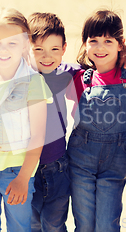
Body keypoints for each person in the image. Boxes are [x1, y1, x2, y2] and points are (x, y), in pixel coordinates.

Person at [0, 7, 52, 231]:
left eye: (12, 43)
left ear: (25, 44)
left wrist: (24, 178)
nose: (3, 49)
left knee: (19, 227)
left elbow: (38, 135)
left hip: (16, 171)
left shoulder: (33, 83)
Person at [67, 9, 126, 232]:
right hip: (80, 160)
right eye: (93, 41)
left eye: (108, 41)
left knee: (107, 225)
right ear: (85, 45)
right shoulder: (78, 76)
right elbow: (43, 71)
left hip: (116, 161)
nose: (100, 47)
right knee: (84, 225)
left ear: (120, 44)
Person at [28, 12, 80, 232]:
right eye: (38, 49)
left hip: (57, 165)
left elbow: (102, 64)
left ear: (64, 49)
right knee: (31, 224)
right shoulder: (19, 76)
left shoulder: (67, 74)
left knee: (54, 225)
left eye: (54, 50)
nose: (46, 57)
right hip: (25, 168)